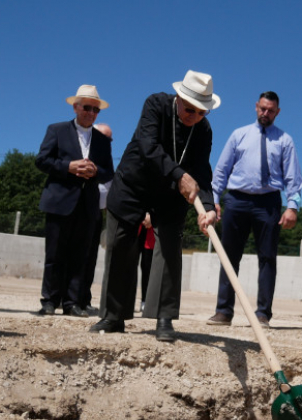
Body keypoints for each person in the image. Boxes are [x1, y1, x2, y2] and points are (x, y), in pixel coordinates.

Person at [92, 70, 219, 340]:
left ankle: (164, 318)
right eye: (189, 109)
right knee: (120, 246)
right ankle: (114, 315)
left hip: (171, 195)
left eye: (200, 112)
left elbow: (202, 170)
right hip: (133, 184)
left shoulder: (203, 130)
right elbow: (147, 146)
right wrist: (180, 175)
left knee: (170, 249)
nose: (193, 116)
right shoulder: (156, 105)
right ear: (179, 98)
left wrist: (208, 205)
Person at [206, 91, 302, 329]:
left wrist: (292, 206)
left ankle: (262, 314)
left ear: (277, 112)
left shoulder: (285, 140)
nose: (265, 113)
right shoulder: (239, 135)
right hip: (236, 201)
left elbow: (293, 177)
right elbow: (221, 170)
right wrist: (214, 200)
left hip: (268, 203)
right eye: (262, 108)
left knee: (267, 258)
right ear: (256, 107)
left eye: (271, 110)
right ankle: (223, 311)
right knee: (229, 256)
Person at [36, 85, 114, 317]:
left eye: (95, 110)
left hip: (87, 204)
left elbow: (108, 171)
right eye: (87, 108)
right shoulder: (57, 130)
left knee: (80, 256)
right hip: (60, 201)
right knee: (55, 254)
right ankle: (49, 301)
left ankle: (72, 303)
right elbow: (42, 160)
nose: (91, 113)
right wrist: (68, 167)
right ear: (76, 107)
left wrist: (94, 171)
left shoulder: (102, 140)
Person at [78, 122, 113, 315]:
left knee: (90, 259)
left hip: (97, 214)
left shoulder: (106, 161)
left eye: (109, 138)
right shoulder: (83, 155)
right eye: (105, 137)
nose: (108, 141)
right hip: (78, 210)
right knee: (77, 257)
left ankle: (84, 298)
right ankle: (67, 298)